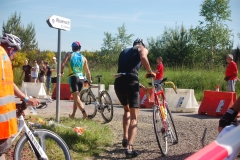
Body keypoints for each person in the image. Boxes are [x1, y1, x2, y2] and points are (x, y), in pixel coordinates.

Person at [0, 33, 40, 160]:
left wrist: (26, 98)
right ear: (11, 49)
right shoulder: (2, 57)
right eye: (16, 52)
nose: (15, 55)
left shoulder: (4, 59)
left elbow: (9, 84)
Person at [114, 38, 155, 158]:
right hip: (131, 83)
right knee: (134, 118)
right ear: (142, 45)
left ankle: (125, 138)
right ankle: (129, 148)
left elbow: (126, 72)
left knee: (126, 111)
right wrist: (150, 71)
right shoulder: (142, 48)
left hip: (118, 82)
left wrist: (140, 85)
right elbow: (143, 57)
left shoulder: (123, 52)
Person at [61, 41, 91, 119]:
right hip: (81, 79)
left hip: (73, 77)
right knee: (76, 97)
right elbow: (88, 71)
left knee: (76, 98)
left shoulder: (69, 54)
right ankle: (73, 115)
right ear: (79, 48)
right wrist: (90, 80)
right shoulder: (84, 58)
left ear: (72, 48)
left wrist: (61, 72)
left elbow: (63, 64)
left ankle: (84, 112)